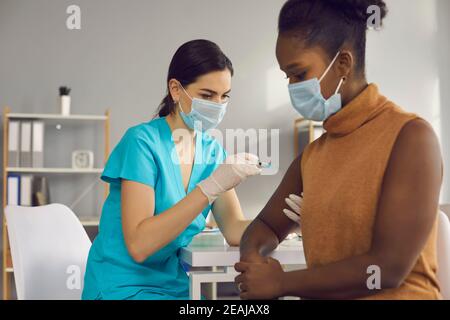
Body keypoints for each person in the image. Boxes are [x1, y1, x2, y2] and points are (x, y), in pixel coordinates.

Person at [235, 0, 443, 300]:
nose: (292, 87)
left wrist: (281, 283)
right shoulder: (314, 155)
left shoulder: (410, 138)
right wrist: (253, 256)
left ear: (343, 64)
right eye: (287, 76)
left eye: (299, 74)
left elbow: (386, 269)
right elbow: (265, 225)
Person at [82, 39, 261, 300]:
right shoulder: (142, 143)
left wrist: (293, 223)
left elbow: (234, 229)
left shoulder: (212, 152)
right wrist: (210, 187)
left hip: (172, 286)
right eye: (207, 95)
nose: (218, 105)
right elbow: (140, 245)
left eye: (224, 97)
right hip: (121, 286)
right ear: (176, 90)